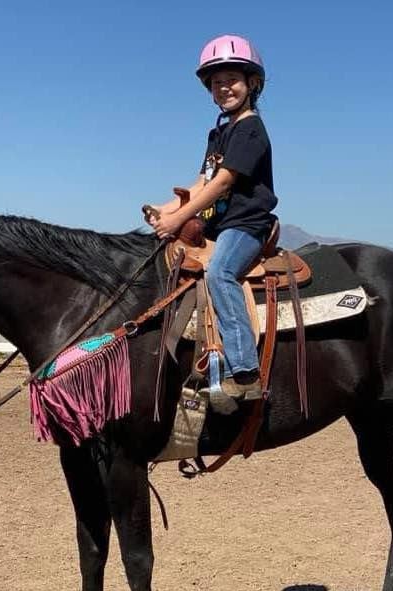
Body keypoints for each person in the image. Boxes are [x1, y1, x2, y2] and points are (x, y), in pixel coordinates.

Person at [147, 34, 277, 406]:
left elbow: (223, 182)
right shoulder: (218, 133)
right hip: (219, 224)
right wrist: (165, 209)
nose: (224, 88)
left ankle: (245, 371)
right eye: (216, 82)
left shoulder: (251, 129)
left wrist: (179, 217)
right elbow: (202, 181)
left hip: (246, 225)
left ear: (252, 83)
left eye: (232, 80)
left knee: (220, 272)